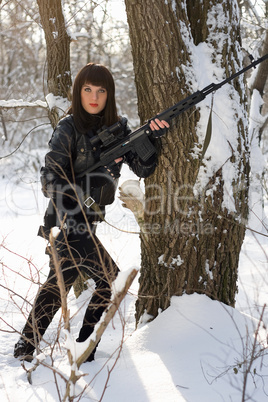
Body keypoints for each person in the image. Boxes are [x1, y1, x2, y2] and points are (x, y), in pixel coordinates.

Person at [14, 63, 169, 363]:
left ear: (109, 94)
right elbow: (49, 179)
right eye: (87, 89)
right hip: (67, 219)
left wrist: (152, 137)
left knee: (59, 281)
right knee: (109, 279)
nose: (94, 96)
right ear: (78, 91)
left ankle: (25, 346)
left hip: (91, 221)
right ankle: (84, 347)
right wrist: (78, 199)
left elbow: (143, 167)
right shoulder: (68, 127)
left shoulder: (120, 128)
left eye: (101, 90)